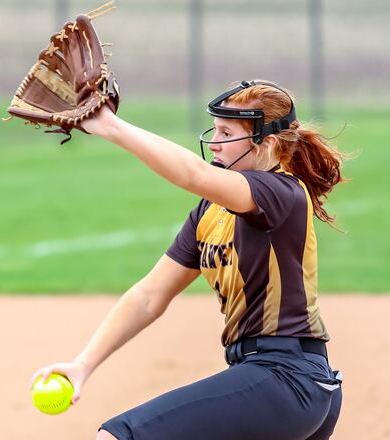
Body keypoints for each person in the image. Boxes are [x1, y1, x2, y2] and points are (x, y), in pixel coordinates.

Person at [29, 79, 349, 440]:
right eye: (214, 129)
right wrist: (83, 364)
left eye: (227, 132)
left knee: (120, 436)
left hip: (286, 379)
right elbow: (149, 296)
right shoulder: (210, 212)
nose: (213, 141)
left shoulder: (281, 193)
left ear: (267, 144)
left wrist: (109, 126)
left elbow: (192, 174)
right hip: (280, 382)